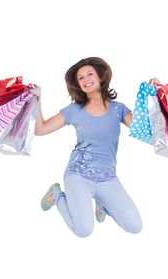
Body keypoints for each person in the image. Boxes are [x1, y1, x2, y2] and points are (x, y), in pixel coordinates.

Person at [32, 57, 144, 238]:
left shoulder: (118, 109)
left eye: (89, 74)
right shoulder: (74, 110)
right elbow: (41, 129)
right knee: (84, 230)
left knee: (135, 226)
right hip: (79, 175)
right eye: (81, 78)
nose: (86, 79)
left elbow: (143, 130)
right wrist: (37, 98)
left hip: (108, 177)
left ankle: (102, 203)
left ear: (100, 77)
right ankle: (57, 195)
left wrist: (153, 96)